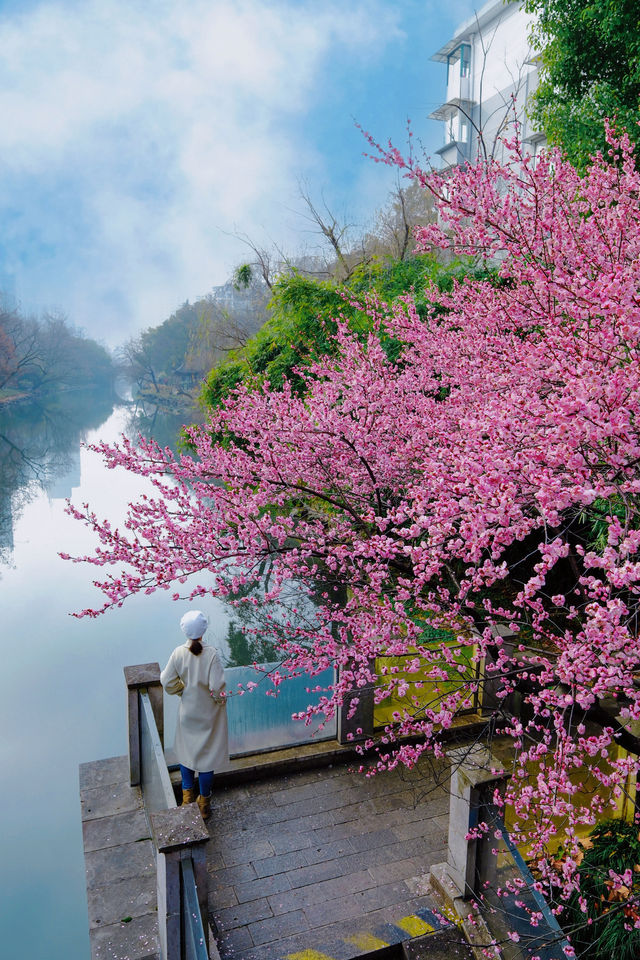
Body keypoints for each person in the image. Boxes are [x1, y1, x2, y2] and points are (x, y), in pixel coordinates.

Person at [160, 609, 228, 820]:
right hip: (208, 713)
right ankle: (204, 804)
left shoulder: (178, 652)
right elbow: (217, 687)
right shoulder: (211, 654)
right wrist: (219, 700)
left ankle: (187, 798)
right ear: (204, 629)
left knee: (186, 754)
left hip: (187, 711)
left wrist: (182, 691)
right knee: (206, 759)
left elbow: (166, 681)